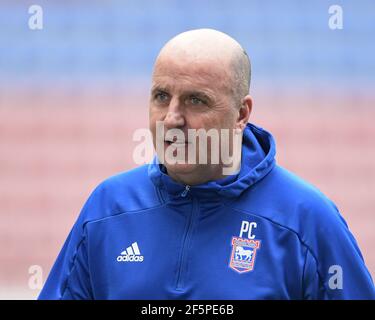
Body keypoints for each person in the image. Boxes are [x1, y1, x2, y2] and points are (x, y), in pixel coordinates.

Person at [39, 29, 375, 299]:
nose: (172, 118)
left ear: (241, 114)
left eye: (195, 100)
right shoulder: (108, 208)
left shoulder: (306, 219)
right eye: (161, 97)